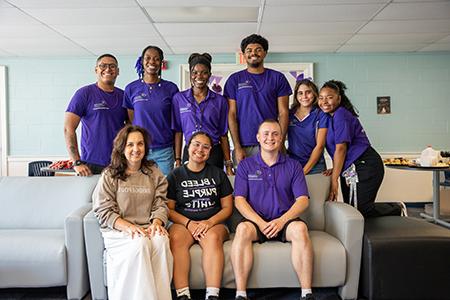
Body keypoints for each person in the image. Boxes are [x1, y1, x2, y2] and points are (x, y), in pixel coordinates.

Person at [231, 119, 315, 300]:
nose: (271, 138)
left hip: (285, 220)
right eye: (266, 134)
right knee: (242, 229)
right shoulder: (245, 166)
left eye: (275, 134)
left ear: (281, 138)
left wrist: (281, 221)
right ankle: (241, 294)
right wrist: (261, 224)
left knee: (301, 229)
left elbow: (302, 201)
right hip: (257, 222)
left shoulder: (293, 166)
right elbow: (239, 200)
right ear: (258, 138)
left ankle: (306, 293)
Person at [92, 125, 173, 300]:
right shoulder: (110, 175)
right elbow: (103, 210)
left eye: (140, 144)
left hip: (147, 227)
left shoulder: (153, 172)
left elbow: (161, 203)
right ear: (122, 148)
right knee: (140, 243)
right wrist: (129, 227)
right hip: (119, 231)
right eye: (130, 145)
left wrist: (157, 223)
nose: (136, 149)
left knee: (161, 241)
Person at [167, 131, 233, 300]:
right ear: (188, 147)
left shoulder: (218, 174)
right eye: (196, 144)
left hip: (214, 223)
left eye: (206, 147)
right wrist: (189, 223)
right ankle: (183, 294)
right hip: (184, 224)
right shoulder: (175, 175)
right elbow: (169, 210)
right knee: (175, 238)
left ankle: (212, 294)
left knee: (211, 238)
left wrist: (208, 222)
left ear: (210, 151)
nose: (200, 149)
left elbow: (227, 208)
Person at [318, 80, 399, 218]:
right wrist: (336, 168)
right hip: (351, 166)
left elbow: (341, 149)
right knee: (353, 209)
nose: (324, 101)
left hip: (364, 164)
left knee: (359, 210)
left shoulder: (340, 115)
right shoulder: (330, 117)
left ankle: (396, 209)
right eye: (321, 97)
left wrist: (334, 180)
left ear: (339, 99)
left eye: (329, 97)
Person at [224, 34, 292, 165]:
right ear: (243, 54)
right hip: (245, 145)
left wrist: (280, 142)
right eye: (249, 50)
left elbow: (283, 113)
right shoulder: (234, 80)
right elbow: (231, 115)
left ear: (265, 53)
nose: (253, 53)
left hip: (271, 143)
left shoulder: (278, 78)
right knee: (246, 184)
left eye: (258, 49)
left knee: (275, 183)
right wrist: (237, 147)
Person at [64, 54, 127, 176]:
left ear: (117, 71)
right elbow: (68, 129)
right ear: (96, 70)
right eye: (103, 66)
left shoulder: (124, 96)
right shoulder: (84, 94)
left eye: (112, 66)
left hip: (118, 164)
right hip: (91, 165)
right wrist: (76, 162)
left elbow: (130, 127)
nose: (108, 69)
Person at [172, 53, 233, 175]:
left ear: (209, 75)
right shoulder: (179, 99)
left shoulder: (220, 101)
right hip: (190, 152)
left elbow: (223, 134)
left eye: (204, 72)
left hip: (213, 152)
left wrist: (228, 165)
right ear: (190, 74)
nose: (199, 76)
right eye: (195, 72)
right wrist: (177, 160)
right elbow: (178, 131)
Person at [123, 45, 179, 175]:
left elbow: (176, 124)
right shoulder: (131, 88)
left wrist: (177, 157)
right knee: (140, 190)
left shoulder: (171, 88)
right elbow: (132, 121)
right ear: (142, 61)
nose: (152, 62)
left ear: (161, 63)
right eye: (148, 58)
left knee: (164, 190)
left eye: (156, 59)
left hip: (164, 151)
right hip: (140, 150)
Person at [288, 79, 329, 174]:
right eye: (300, 93)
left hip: (316, 166)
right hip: (293, 165)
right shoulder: (290, 114)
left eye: (308, 92)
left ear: (314, 94)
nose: (304, 96)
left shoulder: (321, 114)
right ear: (296, 96)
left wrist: (303, 172)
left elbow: (320, 146)